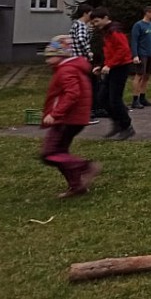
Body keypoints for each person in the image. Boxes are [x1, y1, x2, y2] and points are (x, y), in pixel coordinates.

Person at [39, 34, 101, 198]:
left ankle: (85, 166)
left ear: (61, 55)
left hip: (66, 119)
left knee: (49, 153)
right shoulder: (71, 68)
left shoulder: (66, 70)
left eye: (50, 56)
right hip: (73, 118)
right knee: (61, 154)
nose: (47, 60)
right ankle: (76, 186)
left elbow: (72, 94)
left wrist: (55, 113)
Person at [91, 7, 135, 141]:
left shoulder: (114, 31)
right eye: (93, 22)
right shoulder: (106, 32)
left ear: (105, 18)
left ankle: (126, 126)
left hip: (120, 67)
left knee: (115, 99)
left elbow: (123, 50)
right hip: (112, 67)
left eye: (97, 21)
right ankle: (117, 123)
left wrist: (110, 65)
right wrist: (102, 65)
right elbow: (110, 52)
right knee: (102, 98)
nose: (95, 24)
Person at [69, 3, 100, 124]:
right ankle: (85, 114)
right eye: (90, 13)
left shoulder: (75, 24)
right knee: (85, 87)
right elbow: (81, 39)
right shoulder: (81, 25)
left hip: (75, 59)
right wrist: (89, 52)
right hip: (81, 60)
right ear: (86, 13)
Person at [130, 5, 151, 109]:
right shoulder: (138, 25)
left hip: (150, 53)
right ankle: (135, 99)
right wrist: (135, 55)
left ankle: (143, 97)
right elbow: (134, 40)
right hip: (142, 53)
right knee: (139, 75)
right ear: (147, 13)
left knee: (147, 76)